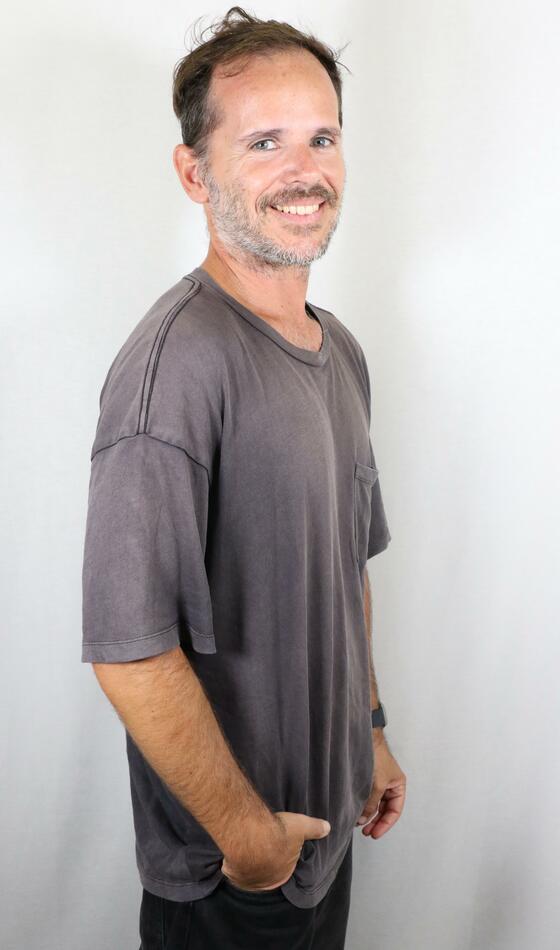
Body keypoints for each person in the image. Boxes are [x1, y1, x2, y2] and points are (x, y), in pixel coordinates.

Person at [81, 7, 407, 948]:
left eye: (321, 138)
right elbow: (130, 651)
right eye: (264, 142)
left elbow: (343, 569)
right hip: (232, 874)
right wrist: (247, 837)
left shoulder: (339, 350)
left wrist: (369, 730)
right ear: (195, 173)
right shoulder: (174, 370)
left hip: (323, 838)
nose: (304, 171)